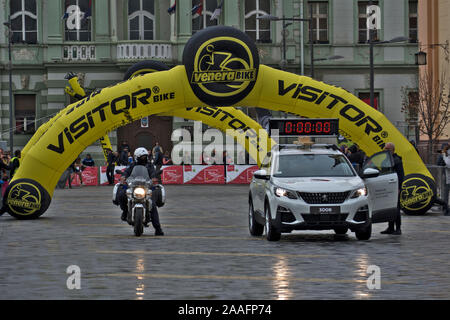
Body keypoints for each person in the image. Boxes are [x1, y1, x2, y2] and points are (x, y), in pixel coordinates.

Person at [116, 147, 164, 236]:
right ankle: (125, 211)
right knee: (121, 194)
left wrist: (154, 178)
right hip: (133, 186)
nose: (144, 158)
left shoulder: (149, 165)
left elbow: (152, 172)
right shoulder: (132, 165)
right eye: (142, 157)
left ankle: (158, 229)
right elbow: (126, 172)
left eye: (145, 156)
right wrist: (123, 176)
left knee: (152, 205)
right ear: (137, 157)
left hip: (145, 187)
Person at [381, 142, 405, 235]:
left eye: (388, 149)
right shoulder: (386, 160)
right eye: (385, 148)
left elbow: (401, 175)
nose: (386, 150)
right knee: (389, 207)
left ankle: (398, 229)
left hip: (395, 187)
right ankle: (390, 227)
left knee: (396, 208)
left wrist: (399, 188)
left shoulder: (397, 160)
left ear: (393, 150)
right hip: (387, 187)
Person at [440, 144, 450, 215]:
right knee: (445, 194)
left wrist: (444, 156)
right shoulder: (446, 154)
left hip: (448, 177)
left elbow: (448, 164)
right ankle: (446, 209)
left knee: (446, 194)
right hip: (447, 178)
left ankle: (446, 209)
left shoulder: (446, 154)